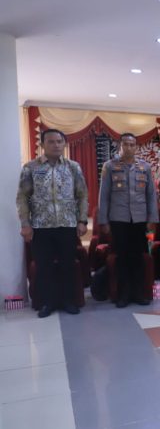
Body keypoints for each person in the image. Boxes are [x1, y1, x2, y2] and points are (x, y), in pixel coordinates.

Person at [16, 129, 88, 318]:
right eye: (51, 142)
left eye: (59, 141)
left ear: (64, 144)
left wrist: (82, 220)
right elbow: (22, 197)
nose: (56, 145)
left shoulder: (73, 167)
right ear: (42, 145)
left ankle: (68, 301)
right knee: (44, 266)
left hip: (67, 225)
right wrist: (25, 223)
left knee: (67, 265)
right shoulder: (31, 168)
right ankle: (48, 302)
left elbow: (82, 195)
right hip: (40, 226)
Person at [98, 133, 159, 307]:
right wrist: (104, 221)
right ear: (120, 146)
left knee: (138, 257)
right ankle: (123, 294)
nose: (129, 147)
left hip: (140, 220)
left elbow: (151, 195)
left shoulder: (145, 167)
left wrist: (152, 219)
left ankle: (138, 293)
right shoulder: (110, 166)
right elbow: (104, 195)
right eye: (126, 144)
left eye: (132, 144)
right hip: (119, 220)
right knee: (122, 258)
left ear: (136, 147)